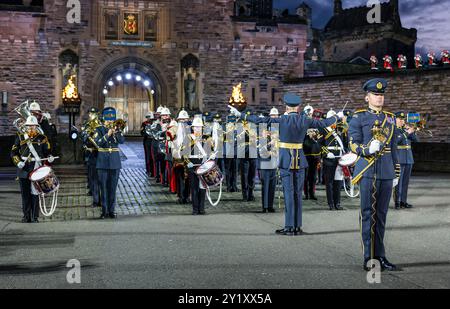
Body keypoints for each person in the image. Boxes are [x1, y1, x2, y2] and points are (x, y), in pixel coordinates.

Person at [229, 93, 344, 236]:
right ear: (298, 107)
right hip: (300, 160)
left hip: (285, 160)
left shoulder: (281, 120)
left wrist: (240, 115)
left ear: (286, 106)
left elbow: (259, 120)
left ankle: (289, 226)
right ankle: (297, 226)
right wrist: (337, 117)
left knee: (288, 194)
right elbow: (323, 123)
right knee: (297, 195)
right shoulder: (305, 120)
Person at [348, 78, 400, 271]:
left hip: (386, 171)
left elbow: (394, 148)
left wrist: (395, 172)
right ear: (367, 97)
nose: (379, 98)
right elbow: (352, 143)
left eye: (381, 95)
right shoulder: (359, 117)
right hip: (368, 171)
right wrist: (366, 150)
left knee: (382, 216)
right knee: (368, 215)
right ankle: (369, 258)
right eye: (376, 95)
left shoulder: (390, 119)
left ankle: (381, 256)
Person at [11, 116, 54, 223]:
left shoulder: (42, 138)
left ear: (36, 126)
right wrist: (18, 162)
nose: (31, 128)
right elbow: (13, 152)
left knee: (35, 193)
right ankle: (26, 216)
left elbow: (47, 151)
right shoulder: (20, 136)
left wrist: (50, 157)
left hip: (36, 168)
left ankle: (35, 216)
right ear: (26, 127)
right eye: (29, 126)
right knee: (25, 194)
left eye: (33, 126)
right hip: (24, 168)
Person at [94, 107, 125, 219]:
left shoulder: (118, 129)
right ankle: (104, 211)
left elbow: (122, 141)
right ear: (104, 119)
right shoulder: (99, 129)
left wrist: (117, 132)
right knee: (103, 187)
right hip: (102, 161)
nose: (111, 122)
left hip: (115, 162)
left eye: (112, 119)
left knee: (113, 188)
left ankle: (111, 210)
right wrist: (107, 134)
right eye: (108, 119)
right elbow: (98, 143)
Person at [183, 115, 214, 215]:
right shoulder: (188, 138)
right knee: (194, 188)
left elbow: (212, 151)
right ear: (192, 127)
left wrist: (212, 156)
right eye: (196, 127)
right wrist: (188, 163)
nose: (197, 128)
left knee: (202, 188)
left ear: (202, 127)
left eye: (199, 127)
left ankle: (202, 208)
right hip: (193, 166)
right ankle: (195, 209)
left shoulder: (208, 138)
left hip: (203, 166)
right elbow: (184, 153)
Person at [320, 110, 347, 210]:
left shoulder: (339, 130)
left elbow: (345, 143)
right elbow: (319, 144)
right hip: (329, 159)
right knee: (329, 182)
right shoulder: (323, 130)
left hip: (339, 158)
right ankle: (331, 203)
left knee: (338, 182)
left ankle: (337, 203)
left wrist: (345, 155)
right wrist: (326, 153)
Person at [393, 112, 417, 209]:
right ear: (395, 120)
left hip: (408, 159)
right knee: (398, 182)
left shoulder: (405, 130)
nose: (401, 121)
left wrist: (413, 131)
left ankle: (403, 201)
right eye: (399, 119)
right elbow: (396, 141)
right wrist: (406, 132)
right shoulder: (394, 130)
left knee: (406, 182)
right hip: (399, 158)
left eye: (403, 119)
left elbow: (416, 140)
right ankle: (397, 202)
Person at [258, 108, 279, 213]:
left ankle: (270, 205)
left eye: (276, 116)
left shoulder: (278, 130)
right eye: (273, 116)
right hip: (265, 161)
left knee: (272, 185)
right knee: (265, 184)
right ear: (270, 116)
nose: (274, 117)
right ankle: (265, 206)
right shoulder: (263, 129)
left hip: (274, 161)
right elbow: (260, 147)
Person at [81, 107, 101, 208]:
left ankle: (101, 199)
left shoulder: (101, 125)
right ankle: (96, 199)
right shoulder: (87, 125)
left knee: (100, 178)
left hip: (100, 154)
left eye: (93, 113)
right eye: (90, 113)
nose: (91, 115)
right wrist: (88, 134)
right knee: (93, 177)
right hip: (91, 154)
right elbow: (83, 138)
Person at [172, 110, 191, 204]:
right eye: (181, 120)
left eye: (185, 120)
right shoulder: (175, 130)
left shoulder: (190, 131)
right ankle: (181, 196)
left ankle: (187, 196)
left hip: (189, 159)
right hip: (178, 158)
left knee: (188, 179)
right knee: (180, 179)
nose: (183, 122)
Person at [303, 129, 321, 200]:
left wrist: (319, 160)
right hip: (306, 160)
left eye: (312, 131)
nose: (311, 133)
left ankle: (312, 193)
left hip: (314, 160)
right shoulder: (304, 139)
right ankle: (306, 194)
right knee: (306, 178)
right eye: (309, 132)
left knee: (313, 178)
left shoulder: (317, 140)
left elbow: (319, 150)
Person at [224, 115, 239, 192]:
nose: (232, 124)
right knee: (228, 170)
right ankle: (228, 186)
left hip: (235, 153)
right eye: (230, 123)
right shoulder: (225, 131)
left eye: (233, 123)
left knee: (235, 170)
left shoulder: (237, 131)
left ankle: (234, 185)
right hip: (228, 153)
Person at [141, 112, 155, 177]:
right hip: (147, 141)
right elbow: (142, 133)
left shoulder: (154, 123)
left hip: (153, 140)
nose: (148, 118)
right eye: (147, 117)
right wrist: (147, 134)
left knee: (153, 156)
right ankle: (148, 169)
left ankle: (153, 171)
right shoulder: (144, 124)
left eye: (149, 117)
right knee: (148, 156)